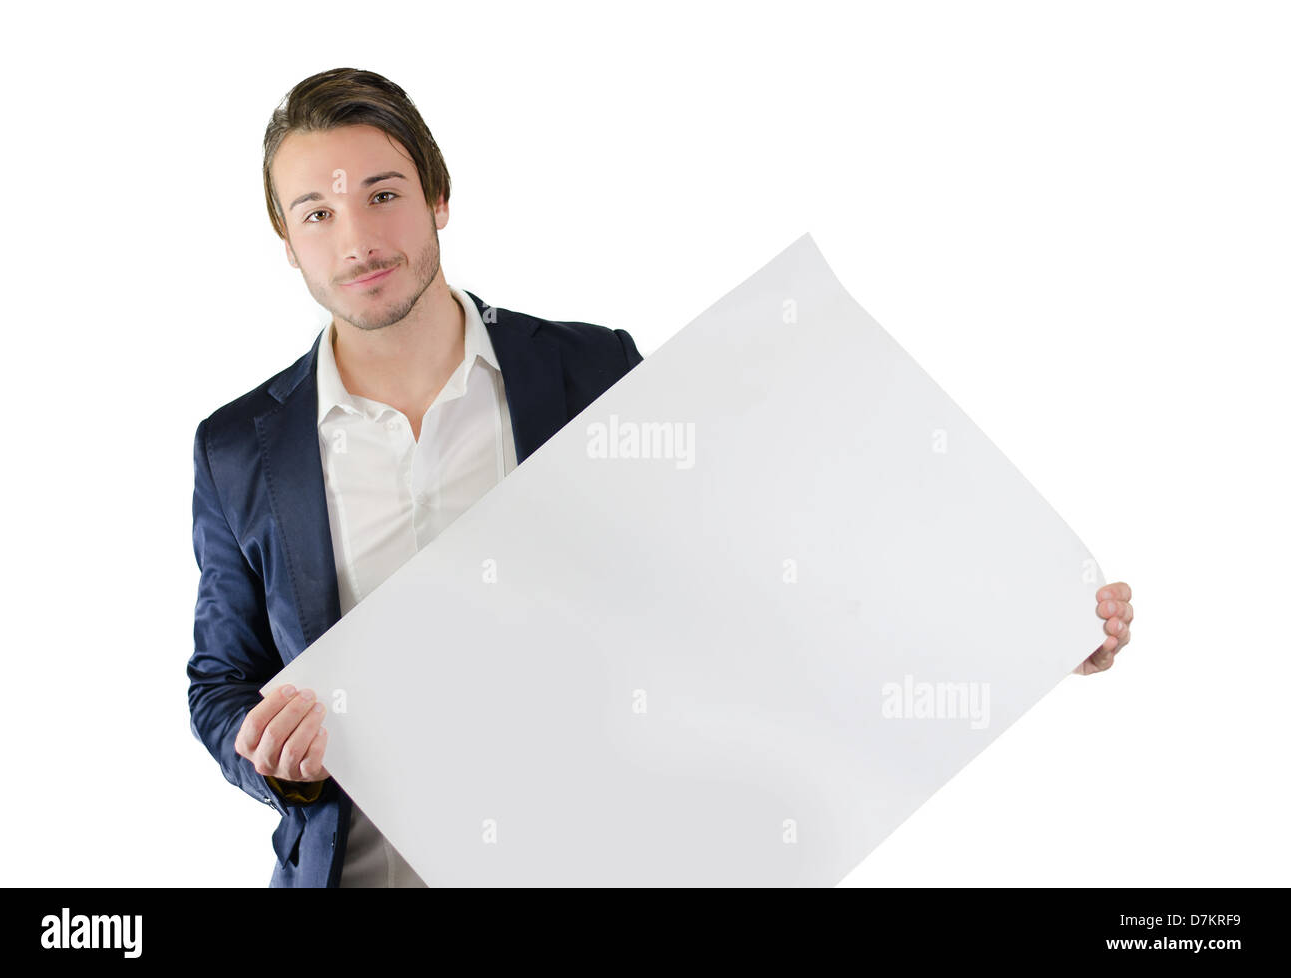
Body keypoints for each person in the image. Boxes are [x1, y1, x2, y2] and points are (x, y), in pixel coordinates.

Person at [189, 67, 1135, 888]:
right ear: (287, 241)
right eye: (318, 211)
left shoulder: (591, 373)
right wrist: (274, 758)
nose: (357, 237)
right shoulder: (240, 450)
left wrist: (1023, 630)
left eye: (384, 194)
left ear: (440, 199)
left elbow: (750, 585)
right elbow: (222, 679)